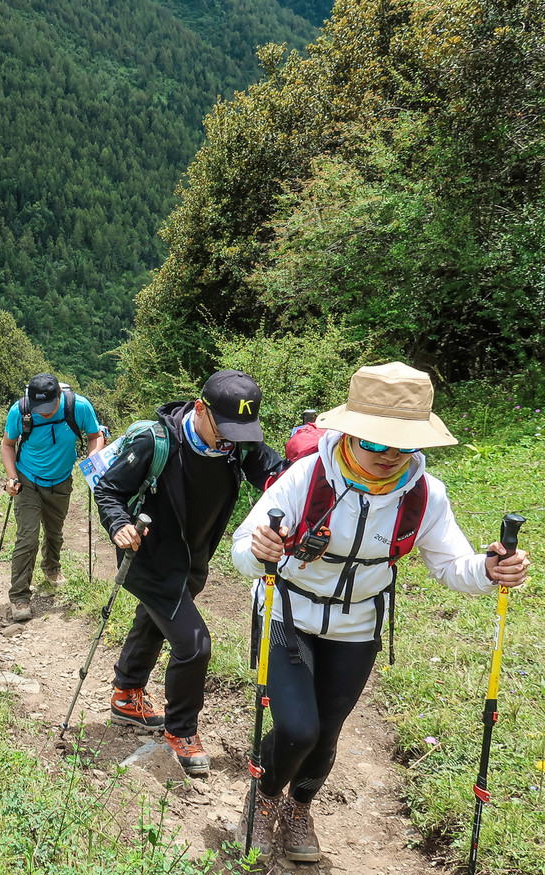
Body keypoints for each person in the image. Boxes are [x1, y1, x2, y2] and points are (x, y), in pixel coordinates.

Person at [232, 362, 531, 863]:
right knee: (299, 729)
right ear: (350, 433)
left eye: (403, 444)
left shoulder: (425, 494)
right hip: (288, 612)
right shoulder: (307, 476)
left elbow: (452, 565)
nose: (390, 455)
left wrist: (489, 569)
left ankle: (299, 807)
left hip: (358, 624)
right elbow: (244, 547)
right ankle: (263, 799)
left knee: (327, 734)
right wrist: (260, 549)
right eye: (375, 442)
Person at [94, 370, 284, 778]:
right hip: (148, 559)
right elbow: (108, 489)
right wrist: (118, 524)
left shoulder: (237, 445)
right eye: (224, 430)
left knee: (153, 622)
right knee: (195, 645)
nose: (230, 440)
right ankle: (181, 730)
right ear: (200, 409)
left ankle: (126, 695)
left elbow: (279, 476)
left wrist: (311, 460)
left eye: (240, 431)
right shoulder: (155, 442)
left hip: (192, 560)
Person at [1, 373, 105, 623]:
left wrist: (92, 462)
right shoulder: (20, 411)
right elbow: (7, 445)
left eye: (49, 406)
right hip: (27, 480)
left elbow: (95, 436)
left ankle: (51, 568)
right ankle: (19, 597)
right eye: (40, 408)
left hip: (60, 480)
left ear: (60, 395)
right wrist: (12, 477)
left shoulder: (78, 406)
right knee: (27, 538)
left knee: (54, 531)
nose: (45, 412)